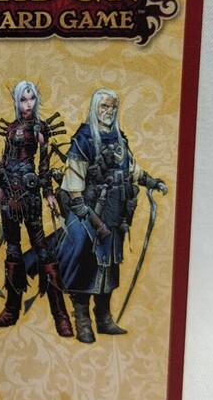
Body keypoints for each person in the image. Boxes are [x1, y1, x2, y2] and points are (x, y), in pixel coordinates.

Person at [57, 88, 167, 343]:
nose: (109, 111)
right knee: (85, 265)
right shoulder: (84, 139)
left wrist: (152, 182)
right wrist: (81, 209)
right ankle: (83, 321)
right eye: (104, 107)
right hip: (89, 214)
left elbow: (132, 169)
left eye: (113, 107)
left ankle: (104, 318)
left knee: (110, 266)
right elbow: (73, 178)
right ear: (95, 108)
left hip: (114, 212)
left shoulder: (119, 139)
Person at [0, 80, 73, 336]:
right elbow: (5, 160)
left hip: (29, 196)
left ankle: (61, 317)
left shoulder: (40, 128)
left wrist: (47, 191)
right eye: (23, 100)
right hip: (9, 196)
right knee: (13, 251)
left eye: (32, 99)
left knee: (43, 251)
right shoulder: (10, 128)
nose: (28, 105)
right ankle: (10, 311)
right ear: (16, 101)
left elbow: (44, 164)